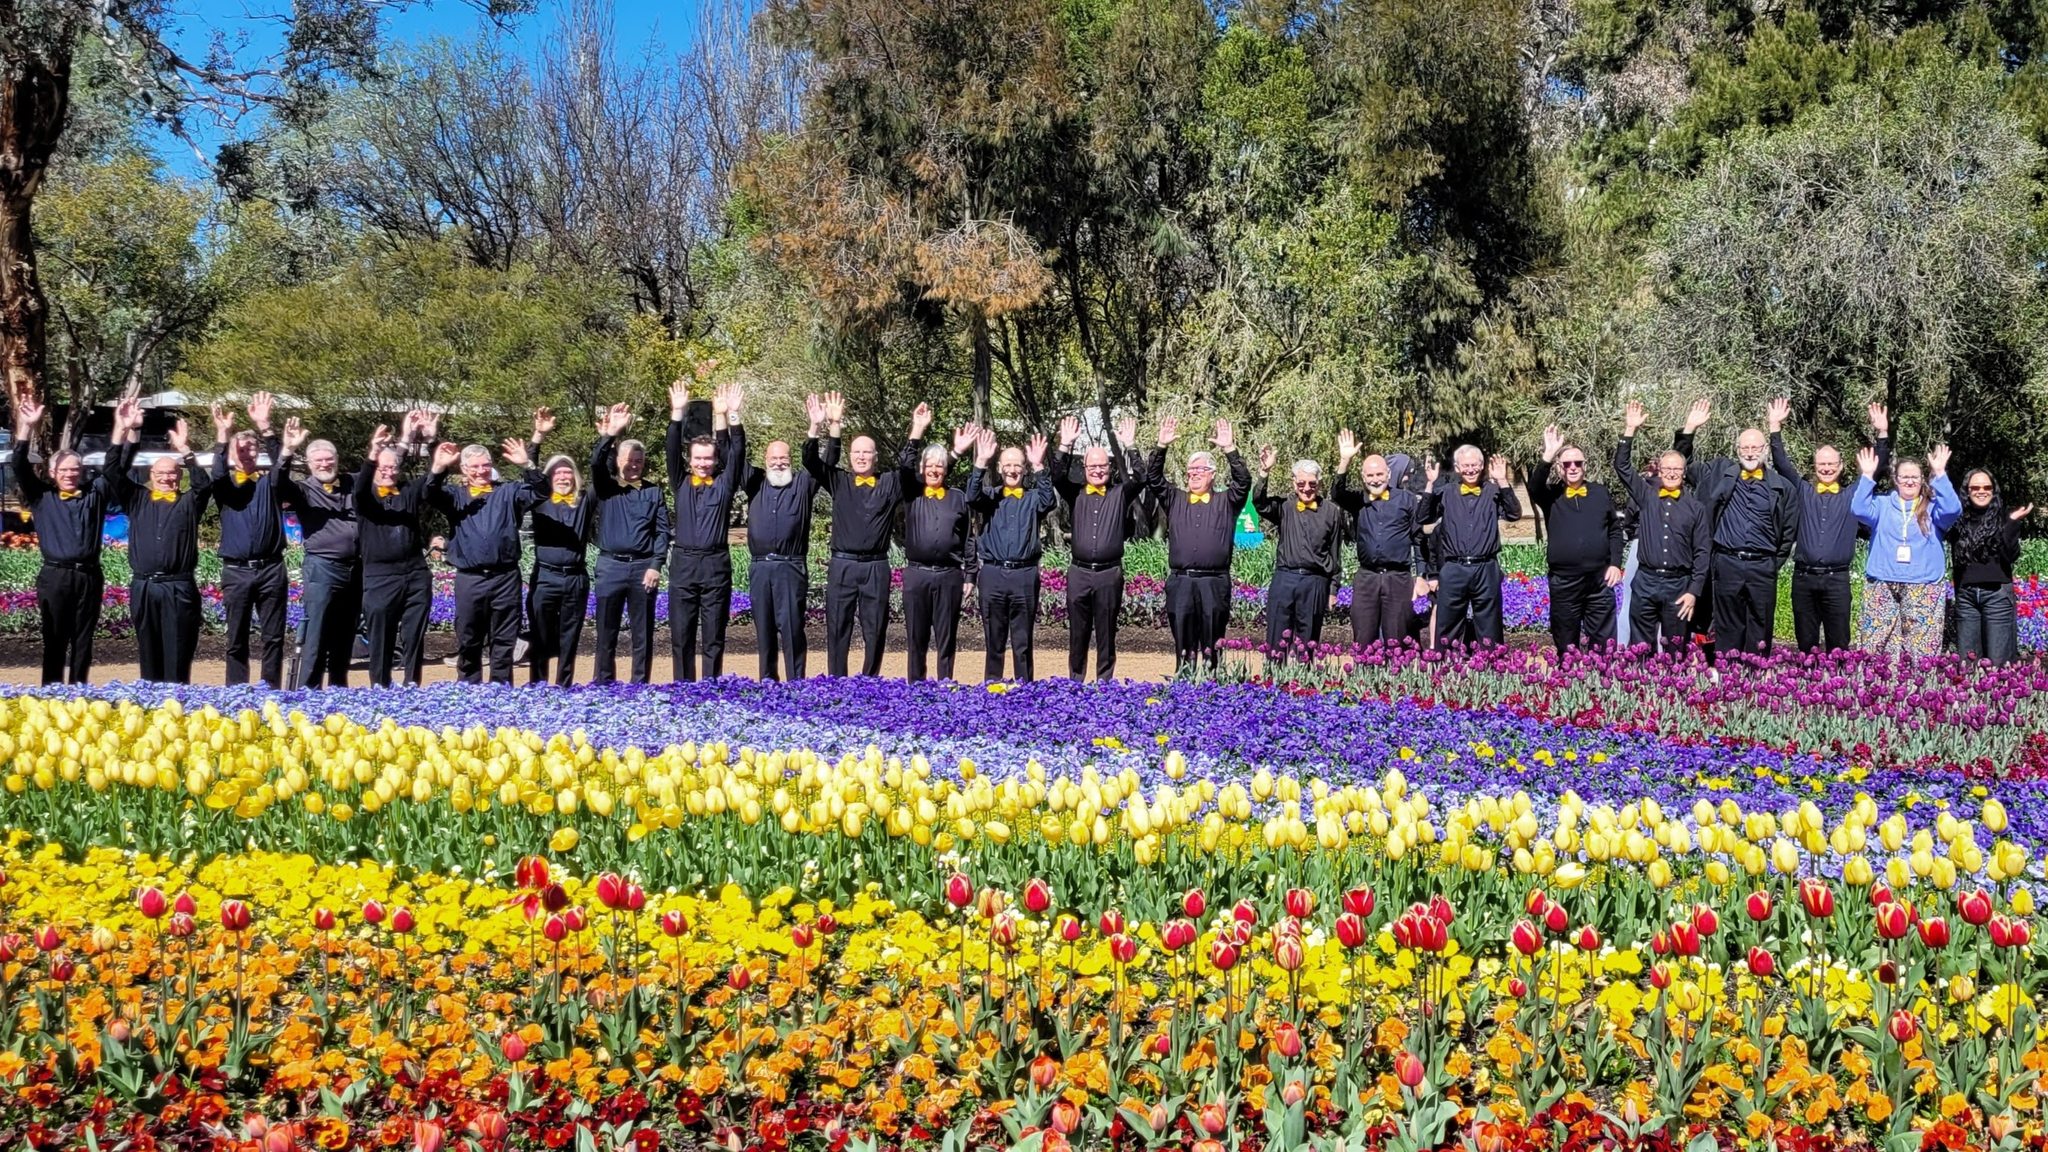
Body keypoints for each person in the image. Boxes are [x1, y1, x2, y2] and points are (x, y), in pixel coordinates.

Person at [1674, 400, 1799, 659]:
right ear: (1737, 449)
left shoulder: (1781, 487)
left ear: (1765, 450)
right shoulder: (1719, 474)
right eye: (1745, 447)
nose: (1750, 452)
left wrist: (1771, 563)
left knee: (1760, 629)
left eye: (1755, 447)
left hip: (1763, 567)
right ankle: (1730, 685)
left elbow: (1788, 532)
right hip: (1727, 563)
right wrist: (1690, 428)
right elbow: (1680, 464)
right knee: (1727, 629)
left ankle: (1755, 685)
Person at [1767, 397, 1892, 652]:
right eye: (1821, 464)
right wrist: (1774, 427)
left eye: (1831, 464)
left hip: (1837, 579)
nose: (1826, 468)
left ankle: (1839, 689)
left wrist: (1882, 432)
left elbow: (1876, 470)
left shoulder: (1853, 496)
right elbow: (1781, 463)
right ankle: (1806, 690)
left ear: (1841, 466)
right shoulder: (1802, 491)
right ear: (1815, 466)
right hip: (1803, 578)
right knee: (1806, 645)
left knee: (1839, 645)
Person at [428, 420, 547, 684]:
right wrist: (437, 466)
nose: (482, 471)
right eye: (476, 466)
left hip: (505, 577)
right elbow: (428, 493)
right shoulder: (454, 496)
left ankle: (500, 691)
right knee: (469, 638)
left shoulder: (509, 492)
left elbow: (542, 491)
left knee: (504, 640)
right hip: (470, 579)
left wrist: (527, 463)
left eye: (486, 465)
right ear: (464, 469)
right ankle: (468, 689)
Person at [105, 402, 213, 683]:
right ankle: (151, 705)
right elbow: (112, 472)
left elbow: (204, 484)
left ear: (180, 477)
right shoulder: (137, 498)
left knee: (178, 652)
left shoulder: (190, 502)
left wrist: (185, 451)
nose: (167, 478)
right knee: (148, 650)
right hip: (144, 586)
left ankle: (177, 702)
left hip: (178, 587)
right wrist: (125, 431)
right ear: (151, 477)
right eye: (160, 474)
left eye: (172, 473)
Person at [805, 392, 911, 677]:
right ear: (850, 456)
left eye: (867, 452)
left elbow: (909, 469)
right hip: (842, 565)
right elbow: (812, 463)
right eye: (857, 452)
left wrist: (915, 434)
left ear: (876, 457)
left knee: (875, 627)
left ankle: (869, 680)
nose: (862, 457)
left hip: (875, 566)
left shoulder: (889, 483)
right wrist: (824, 427)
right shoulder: (838, 481)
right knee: (837, 626)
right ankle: (837, 681)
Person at [12, 395, 115, 684]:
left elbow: (115, 465)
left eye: (75, 470)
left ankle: (79, 692)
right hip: (55, 576)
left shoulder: (94, 494)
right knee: (55, 639)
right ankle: (51, 694)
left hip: (89, 575)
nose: (70, 474)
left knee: (84, 641)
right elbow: (19, 464)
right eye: (65, 470)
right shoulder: (41, 496)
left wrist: (124, 431)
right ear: (53, 473)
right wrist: (26, 427)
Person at [1142, 417, 1251, 673]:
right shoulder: (1175, 498)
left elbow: (1243, 482)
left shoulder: (1227, 501)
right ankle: (1184, 688)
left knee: (1213, 645)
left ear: (1212, 475)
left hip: (1214, 583)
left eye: (1200, 470)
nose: (1193, 474)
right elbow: (1154, 478)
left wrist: (1229, 449)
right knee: (1183, 644)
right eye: (1190, 471)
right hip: (1181, 583)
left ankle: (1212, 690)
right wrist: (1161, 446)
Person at [1049, 414, 1144, 681]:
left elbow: (1142, 477)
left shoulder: (1120, 494)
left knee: (1106, 632)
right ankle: (1076, 681)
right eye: (1093, 466)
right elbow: (1056, 476)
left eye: (1103, 466)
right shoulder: (1075, 493)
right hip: (1079, 573)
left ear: (1110, 468)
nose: (1098, 470)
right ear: (1084, 467)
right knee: (1077, 633)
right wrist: (1065, 445)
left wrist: (1131, 445)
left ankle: (1105, 683)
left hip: (1108, 574)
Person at [210, 394, 294, 687]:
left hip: (271, 569)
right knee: (236, 638)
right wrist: (223, 437)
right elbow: (217, 473)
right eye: (240, 449)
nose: (246, 452)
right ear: (232, 454)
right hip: (236, 571)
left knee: (273, 637)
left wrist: (266, 428)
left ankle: (270, 689)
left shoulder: (270, 483)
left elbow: (282, 465)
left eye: (252, 447)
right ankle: (236, 691)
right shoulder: (225, 488)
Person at [666, 378, 747, 680]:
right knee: (681, 636)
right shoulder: (680, 481)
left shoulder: (724, 485)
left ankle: (711, 686)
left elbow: (737, 452)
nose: (702, 463)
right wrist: (677, 413)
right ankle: (683, 687)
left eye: (708, 459)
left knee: (713, 635)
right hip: (684, 565)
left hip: (715, 564)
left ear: (715, 461)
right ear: (690, 460)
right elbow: (671, 447)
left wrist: (732, 416)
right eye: (697, 458)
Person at [1615, 402, 1710, 654]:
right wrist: (1629, 430)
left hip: (1678, 586)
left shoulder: (1695, 508)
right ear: (1659, 469)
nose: (1671, 473)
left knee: (1675, 650)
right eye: (1667, 468)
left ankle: (1672, 693)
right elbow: (1622, 468)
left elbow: (1702, 553)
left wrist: (1693, 591)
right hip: (1645, 581)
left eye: (1676, 469)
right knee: (1640, 648)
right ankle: (1642, 691)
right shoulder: (1646, 495)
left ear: (1684, 471)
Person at [589, 403, 671, 685]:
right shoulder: (606, 487)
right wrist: (610, 435)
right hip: (610, 566)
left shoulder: (653, 493)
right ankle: (602, 683)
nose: (634, 465)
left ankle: (640, 685)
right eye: (629, 460)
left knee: (642, 632)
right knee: (606, 631)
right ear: (619, 460)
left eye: (639, 460)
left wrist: (655, 565)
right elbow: (595, 463)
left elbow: (663, 533)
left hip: (642, 569)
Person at [1852, 443, 1960, 657]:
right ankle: (1882, 689)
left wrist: (1939, 473)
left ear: (1922, 480)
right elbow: (1858, 509)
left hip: (1923, 585)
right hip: (1882, 583)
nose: (1910, 481)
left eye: (1915, 477)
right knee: (1877, 648)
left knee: (1922, 651)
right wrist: (1866, 476)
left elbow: (1953, 509)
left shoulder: (1932, 507)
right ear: (1896, 480)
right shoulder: (1881, 505)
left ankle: (1921, 690)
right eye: (1904, 477)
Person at [354, 414, 438, 687]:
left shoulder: (408, 492)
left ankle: (411, 684)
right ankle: (380, 687)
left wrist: (430, 440)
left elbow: (434, 477)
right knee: (381, 637)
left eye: (393, 468)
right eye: (383, 468)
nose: (389, 472)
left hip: (415, 574)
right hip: (380, 577)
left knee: (414, 635)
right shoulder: (366, 499)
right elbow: (360, 488)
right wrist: (373, 453)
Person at [277, 423, 360, 689]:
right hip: (322, 567)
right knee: (317, 631)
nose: (325, 464)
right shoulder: (302, 490)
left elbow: (377, 475)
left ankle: (338, 688)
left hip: (355, 568)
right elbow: (277, 482)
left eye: (329, 459)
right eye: (319, 460)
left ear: (337, 460)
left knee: (346, 633)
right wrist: (287, 451)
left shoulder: (351, 483)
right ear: (310, 464)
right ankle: (308, 691)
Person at [971, 428, 1057, 682]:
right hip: (993, 574)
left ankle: (1025, 689)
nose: (1012, 470)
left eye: (1017, 465)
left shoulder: (1033, 499)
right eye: (1007, 465)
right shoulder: (988, 497)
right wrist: (980, 461)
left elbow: (1049, 500)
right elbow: (971, 496)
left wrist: (1039, 465)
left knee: (1022, 641)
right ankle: (993, 687)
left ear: (1024, 469)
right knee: (994, 640)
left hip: (1024, 575)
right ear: (999, 468)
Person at [901, 408, 980, 682]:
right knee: (916, 638)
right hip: (917, 574)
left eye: (940, 465)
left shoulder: (958, 498)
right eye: (930, 465)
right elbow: (904, 464)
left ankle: (945, 684)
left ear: (946, 470)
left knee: (946, 637)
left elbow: (969, 538)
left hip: (949, 576)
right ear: (922, 469)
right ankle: (916, 687)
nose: (935, 469)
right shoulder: (911, 493)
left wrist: (970, 574)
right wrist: (917, 429)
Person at [740, 422, 823, 682]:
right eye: (773, 458)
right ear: (765, 461)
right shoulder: (754, 484)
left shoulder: (803, 485)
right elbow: (734, 452)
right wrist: (732, 419)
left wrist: (817, 428)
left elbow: (824, 462)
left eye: (783, 458)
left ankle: (796, 681)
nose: (778, 463)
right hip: (760, 567)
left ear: (791, 460)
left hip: (791, 567)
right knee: (764, 630)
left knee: (792, 628)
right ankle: (768, 681)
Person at [1531, 425, 1624, 651]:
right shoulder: (1551, 495)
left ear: (1585, 466)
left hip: (1599, 581)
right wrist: (1548, 453)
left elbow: (1614, 530)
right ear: (1559, 469)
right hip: (1565, 582)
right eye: (1566, 464)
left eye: (1578, 463)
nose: (1573, 468)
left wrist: (1615, 564)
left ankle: (1601, 682)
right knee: (1566, 642)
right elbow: (1533, 488)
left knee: (1604, 644)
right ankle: (1568, 683)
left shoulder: (1600, 492)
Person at [1332, 433, 1428, 647]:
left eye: (1379, 474)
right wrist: (1345, 460)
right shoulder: (1358, 501)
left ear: (1388, 474)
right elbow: (1336, 494)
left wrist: (1421, 575)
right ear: (1363, 477)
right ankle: (1365, 679)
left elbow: (1419, 539)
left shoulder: (1407, 500)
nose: (1375, 479)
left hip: (1398, 578)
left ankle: (1396, 680)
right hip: (1367, 578)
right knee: (1363, 637)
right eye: (1370, 475)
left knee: (1397, 638)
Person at [1420, 445, 1522, 647]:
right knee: (1447, 626)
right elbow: (1423, 517)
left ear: (1483, 466)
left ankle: (1491, 669)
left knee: (1490, 627)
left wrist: (1502, 480)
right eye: (1466, 465)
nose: (1470, 470)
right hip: (1453, 569)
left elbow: (1514, 514)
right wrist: (1430, 484)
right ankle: (1444, 670)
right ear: (1457, 467)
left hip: (1485, 567)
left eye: (1475, 465)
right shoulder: (1446, 493)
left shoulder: (1493, 492)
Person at [1253, 445, 1344, 659]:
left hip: (1315, 582)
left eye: (1312, 484)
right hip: (1285, 578)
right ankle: (1275, 682)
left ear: (1319, 483)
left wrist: (1333, 588)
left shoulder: (1331, 511)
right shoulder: (1284, 506)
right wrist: (1264, 472)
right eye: (1301, 483)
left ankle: (1305, 685)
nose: (1306, 488)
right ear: (1294, 483)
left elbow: (1335, 552)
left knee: (1309, 639)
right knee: (1277, 637)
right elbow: (1259, 503)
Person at [522, 408, 591, 686]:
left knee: (570, 635)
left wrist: (608, 436)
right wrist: (537, 437)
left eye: (568, 473)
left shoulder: (585, 502)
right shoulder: (539, 501)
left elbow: (602, 470)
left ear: (575, 477)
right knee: (539, 633)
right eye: (557, 474)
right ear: (549, 478)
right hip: (546, 577)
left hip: (575, 577)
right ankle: (538, 685)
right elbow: (530, 475)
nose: (563, 478)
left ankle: (564, 686)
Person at [1952, 469, 2030, 665]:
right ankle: (1969, 697)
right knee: (1967, 663)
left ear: (1993, 490)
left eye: (1987, 487)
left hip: (1997, 595)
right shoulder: (1957, 519)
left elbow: (2010, 556)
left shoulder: (2005, 516)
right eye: (1975, 487)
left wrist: (2011, 525)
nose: (1981, 491)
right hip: (1966, 596)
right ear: (1967, 491)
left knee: (1999, 662)